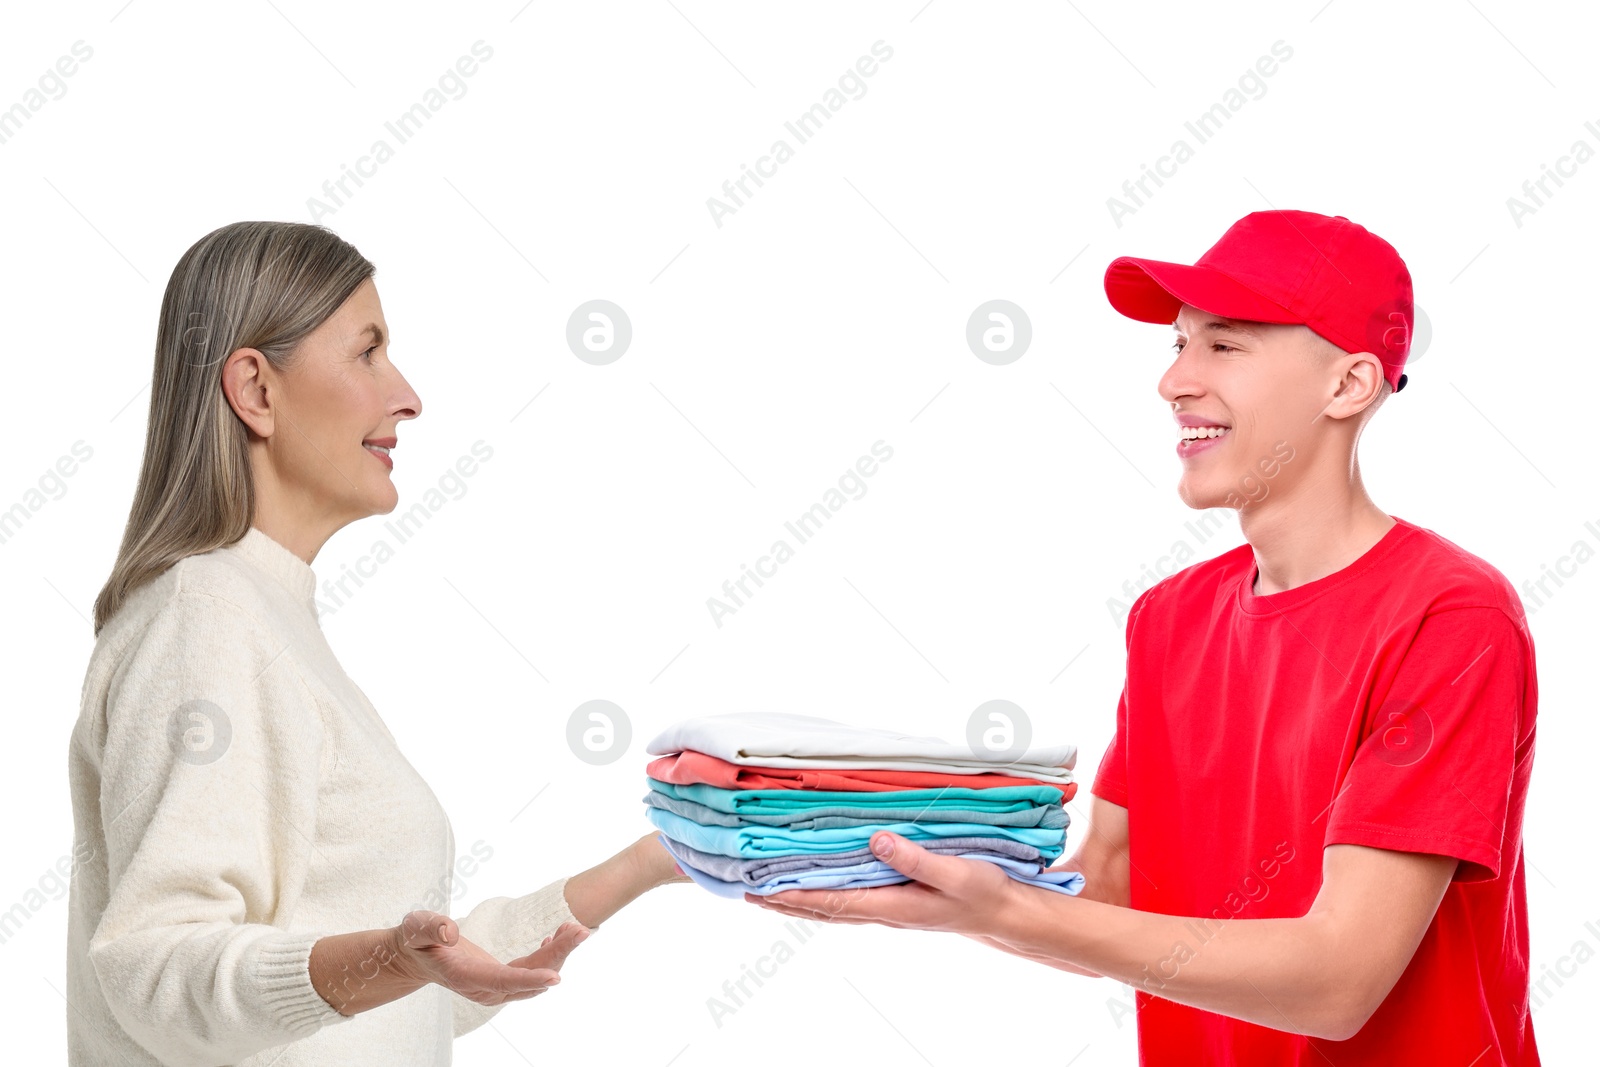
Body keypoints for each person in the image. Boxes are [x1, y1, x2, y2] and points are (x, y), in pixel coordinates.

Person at [749, 210, 1540, 1065]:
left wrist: (1002, 909)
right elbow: (1111, 885)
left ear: (1347, 385)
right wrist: (846, 843)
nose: (1175, 383)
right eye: (1177, 345)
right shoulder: (1169, 617)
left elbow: (1341, 980)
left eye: (1225, 346)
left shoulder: (1451, 618)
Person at [65, 220, 688, 1066]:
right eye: (368, 352)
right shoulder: (204, 614)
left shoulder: (265, 616)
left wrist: (653, 861)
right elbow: (154, 968)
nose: (407, 396)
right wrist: (391, 958)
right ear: (254, 389)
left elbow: (401, 999)